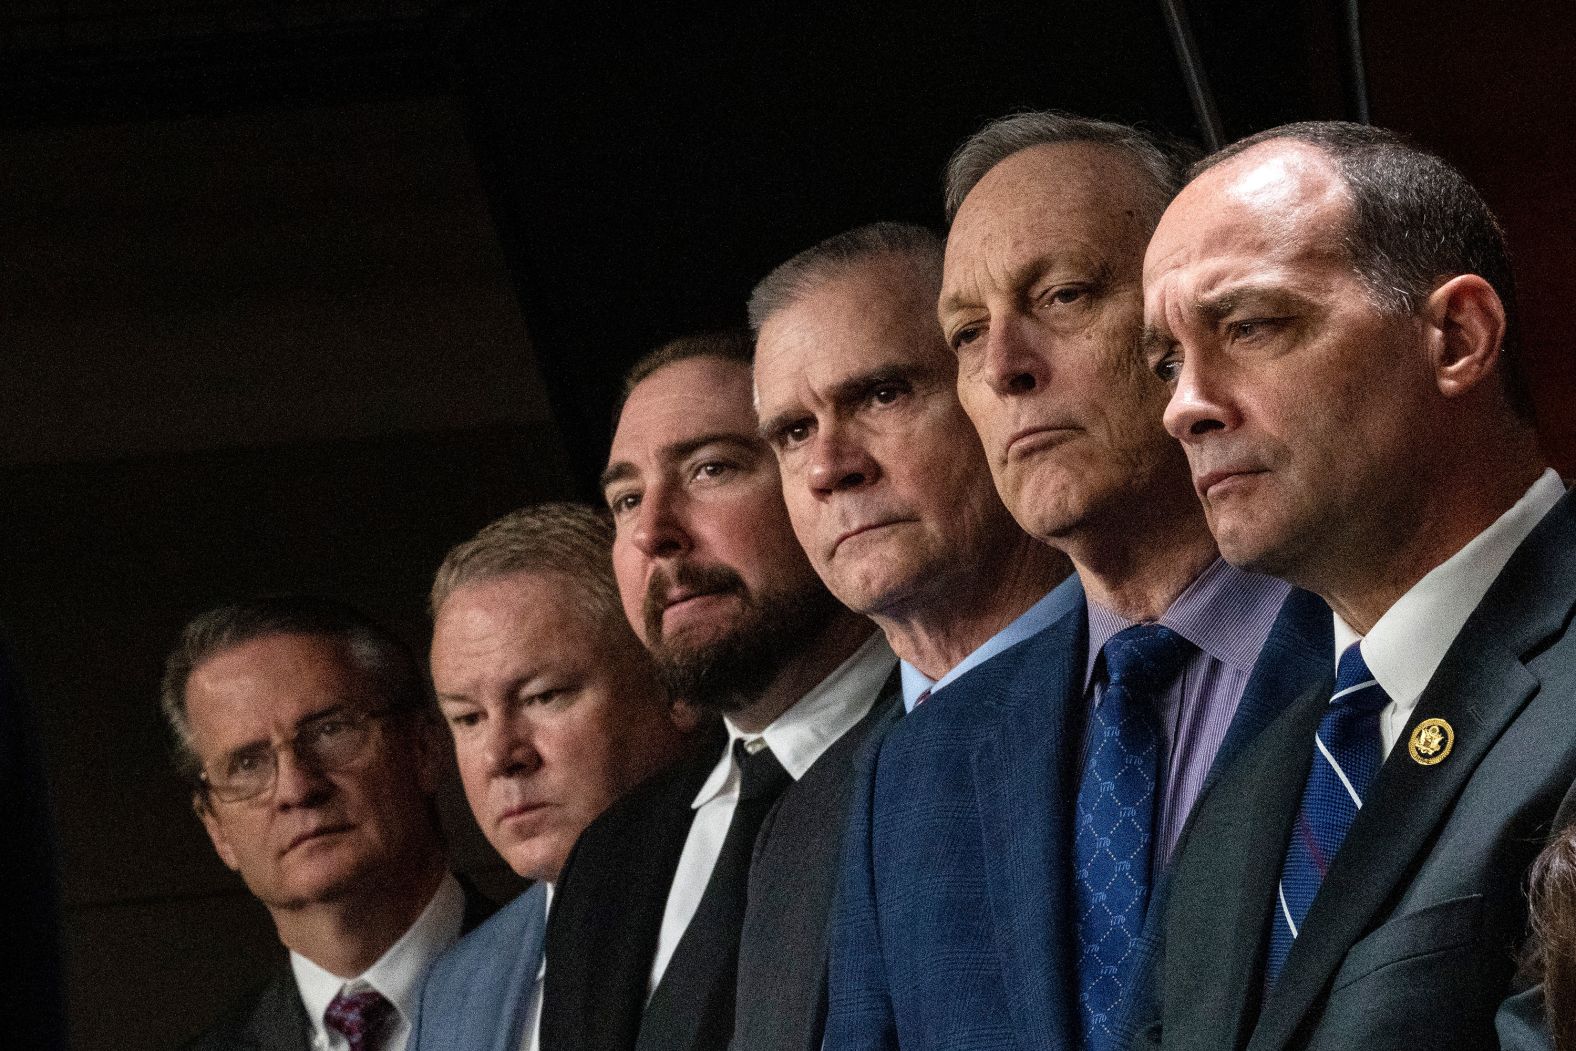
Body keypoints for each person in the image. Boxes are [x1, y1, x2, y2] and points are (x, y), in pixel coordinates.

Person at [823, 111, 1331, 1051]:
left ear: (1185, 316)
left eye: (1061, 296)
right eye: (967, 334)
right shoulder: (915, 774)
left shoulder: (1374, 652)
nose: (1007, 366)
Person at [1134, 120, 1576, 1051]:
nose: (1184, 405)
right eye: (1167, 361)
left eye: (1250, 325)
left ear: (1458, 337)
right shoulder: (1244, 796)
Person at [747, 220, 1071, 1051]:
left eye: (882, 394)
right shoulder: (802, 819)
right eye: (792, 432)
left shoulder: (1166, 692)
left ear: (995, 388)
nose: (830, 467)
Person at [539, 331, 898, 1051]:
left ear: (816, 479)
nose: (653, 532)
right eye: (626, 498)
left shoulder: (950, 757)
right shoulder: (607, 858)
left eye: (709, 469)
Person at [408, 503, 701, 1051]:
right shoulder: (453, 990)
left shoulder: (779, 887)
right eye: (467, 718)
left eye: (543, 696)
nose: (500, 756)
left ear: (672, 684)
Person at [165, 596, 492, 1051]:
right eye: (247, 765)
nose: (297, 789)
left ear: (423, 748)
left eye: (330, 731)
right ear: (216, 828)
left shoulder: (568, 981)